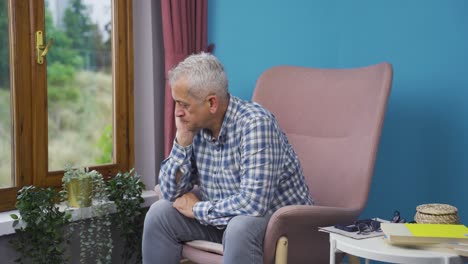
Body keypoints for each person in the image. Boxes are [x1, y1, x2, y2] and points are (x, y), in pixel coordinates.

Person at [142, 52, 313, 264]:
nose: (177, 113)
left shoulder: (255, 124)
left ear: (212, 103)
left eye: (184, 104)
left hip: (282, 228)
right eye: (176, 103)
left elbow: (253, 205)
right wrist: (182, 142)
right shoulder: (196, 127)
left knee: (240, 226)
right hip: (225, 223)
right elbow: (169, 193)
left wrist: (197, 209)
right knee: (159, 214)